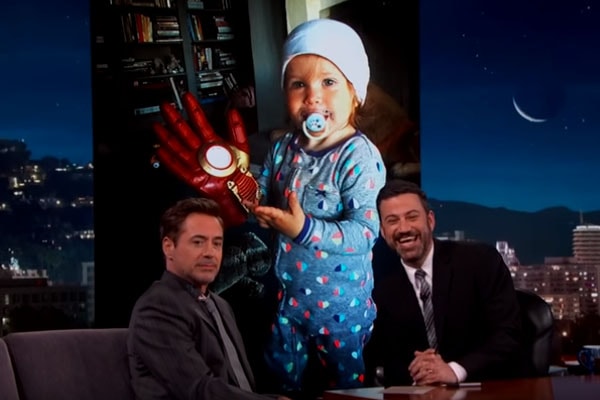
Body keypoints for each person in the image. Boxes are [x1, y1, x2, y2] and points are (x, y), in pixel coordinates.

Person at [249, 18, 387, 397]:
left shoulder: (358, 156)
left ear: (355, 93)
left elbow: (365, 232)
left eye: (328, 82)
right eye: (298, 84)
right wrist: (240, 189)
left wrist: (304, 230)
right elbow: (261, 195)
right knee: (278, 377)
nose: (312, 97)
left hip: (341, 307)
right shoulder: (282, 147)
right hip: (287, 298)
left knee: (345, 386)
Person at [127, 197, 291, 400]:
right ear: (168, 247)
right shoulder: (157, 307)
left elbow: (237, 387)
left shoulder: (220, 305)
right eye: (198, 242)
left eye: (217, 244)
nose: (210, 253)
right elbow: (198, 390)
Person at [364, 179, 524, 386]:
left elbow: (508, 335)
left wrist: (454, 370)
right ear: (383, 232)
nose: (403, 228)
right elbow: (383, 357)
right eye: (392, 221)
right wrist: (419, 372)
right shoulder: (378, 285)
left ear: (430, 221)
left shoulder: (480, 262)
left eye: (412, 217)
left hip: (486, 389)